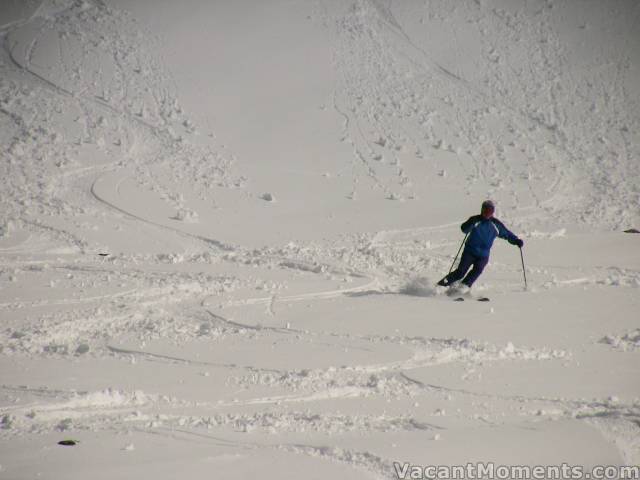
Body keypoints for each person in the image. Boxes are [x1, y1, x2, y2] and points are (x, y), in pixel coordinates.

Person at [437, 200, 523, 289]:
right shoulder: (475, 220)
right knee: (460, 272)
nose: (487, 214)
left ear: (493, 212)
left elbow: (507, 234)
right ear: (482, 210)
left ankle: (463, 288)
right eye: (485, 211)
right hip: (469, 252)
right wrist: (470, 223)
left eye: (490, 211)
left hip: (483, 255)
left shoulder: (495, 224)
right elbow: (464, 229)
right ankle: (441, 285)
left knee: (477, 271)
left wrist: (516, 240)